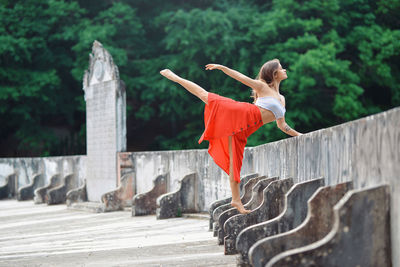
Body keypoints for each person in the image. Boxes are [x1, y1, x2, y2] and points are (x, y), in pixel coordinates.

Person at [160, 59, 302, 214]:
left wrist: (299, 135)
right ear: (274, 74)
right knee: (205, 96)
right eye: (282, 69)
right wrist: (223, 68)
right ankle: (175, 77)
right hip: (239, 114)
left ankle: (236, 200)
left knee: (235, 163)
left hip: (243, 130)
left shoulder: (282, 99)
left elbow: (282, 126)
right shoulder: (262, 87)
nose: (285, 70)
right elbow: (240, 77)